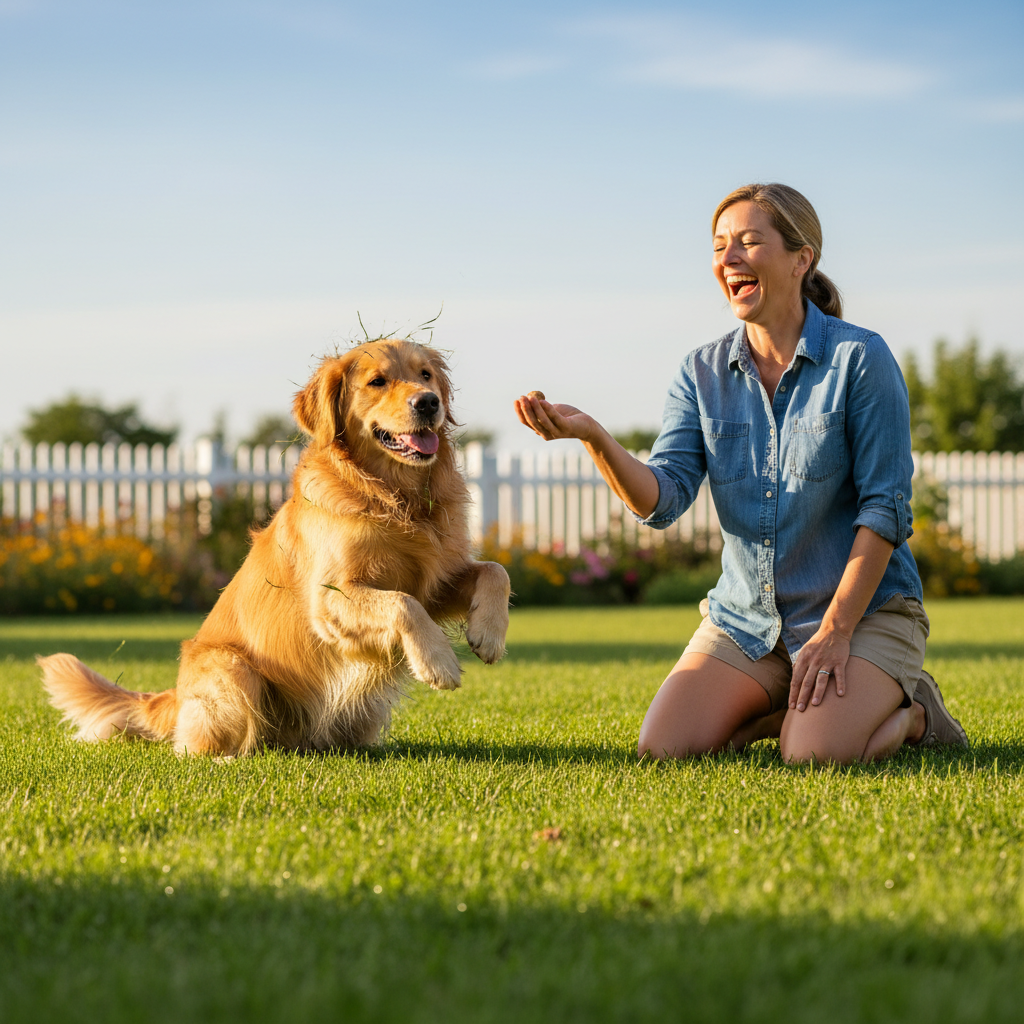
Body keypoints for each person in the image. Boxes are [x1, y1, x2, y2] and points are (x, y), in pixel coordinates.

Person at [514, 182, 968, 764]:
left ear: (802, 258)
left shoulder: (860, 359)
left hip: (861, 617)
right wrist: (595, 438)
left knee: (813, 756)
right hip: (749, 621)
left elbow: (885, 510)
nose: (728, 259)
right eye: (719, 245)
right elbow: (663, 499)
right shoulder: (700, 372)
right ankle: (787, 708)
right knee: (665, 748)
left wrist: (834, 633)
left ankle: (913, 713)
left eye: (749, 243)